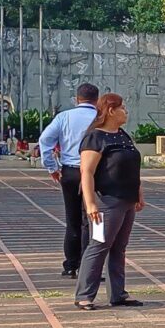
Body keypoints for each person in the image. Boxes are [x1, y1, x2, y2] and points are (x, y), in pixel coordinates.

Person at [74, 93, 144, 311]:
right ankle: (84, 295)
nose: (126, 112)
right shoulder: (95, 137)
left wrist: (139, 193)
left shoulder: (123, 136)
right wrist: (91, 203)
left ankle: (118, 293)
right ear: (111, 111)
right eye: (122, 108)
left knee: (119, 248)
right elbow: (86, 171)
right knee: (99, 245)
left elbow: (132, 167)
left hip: (127, 199)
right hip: (106, 201)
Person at [39, 83, 99, 279]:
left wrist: (52, 167)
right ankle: (90, 266)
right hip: (96, 173)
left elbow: (45, 141)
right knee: (94, 220)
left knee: (72, 219)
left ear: (77, 99)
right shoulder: (101, 118)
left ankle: (71, 264)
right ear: (97, 100)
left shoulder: (64, 117)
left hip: (70, 172)